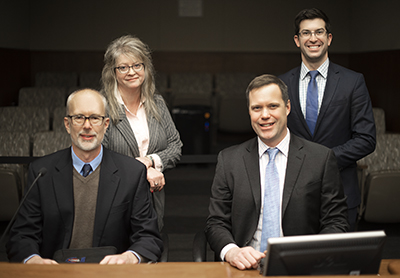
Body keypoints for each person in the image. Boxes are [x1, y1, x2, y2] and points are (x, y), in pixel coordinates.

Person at [205, 74, 349, 271]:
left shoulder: (320, 159)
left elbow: (336, 221)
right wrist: (232, 251)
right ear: (249, 111)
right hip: (245, 269)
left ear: (287, 107)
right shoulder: (229, 160)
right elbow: (216, 223)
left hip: (301, 268)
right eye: (257, 108)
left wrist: (314, 255)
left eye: (273, 106)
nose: (265, 115)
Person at [7, 89, 163, 264]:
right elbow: (22, 235)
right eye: (79, 117)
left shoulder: (132, 173)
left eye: (95, 118)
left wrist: (130, 257)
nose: (87, 125)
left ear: (106, 124)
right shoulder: (42, 172)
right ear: (67, 124)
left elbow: (149, 237)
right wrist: (32, 260)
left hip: (111, 275)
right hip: (56, 274)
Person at [279, 8, 376, 231]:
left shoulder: (353, 82)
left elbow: (366, 138)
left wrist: (324, 161)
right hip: (293, 196)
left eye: (319, 32)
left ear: (329, 38)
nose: (313, 38)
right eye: (306, 33)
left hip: (341, 194)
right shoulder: (281, 84)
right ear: (297, 40)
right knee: (295, 263)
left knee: (340, 264)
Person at [101, 35, 182, 231]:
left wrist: (151, 160)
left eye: (137, 65)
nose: (131, 72)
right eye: (123, 67)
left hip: (152, 199)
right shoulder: (101, 106)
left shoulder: (157, 103)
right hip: (113, 199)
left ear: (146, 68)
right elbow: (98, 156)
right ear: (112, 72)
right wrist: (141, 170)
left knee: (150, 251)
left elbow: (175, 146)